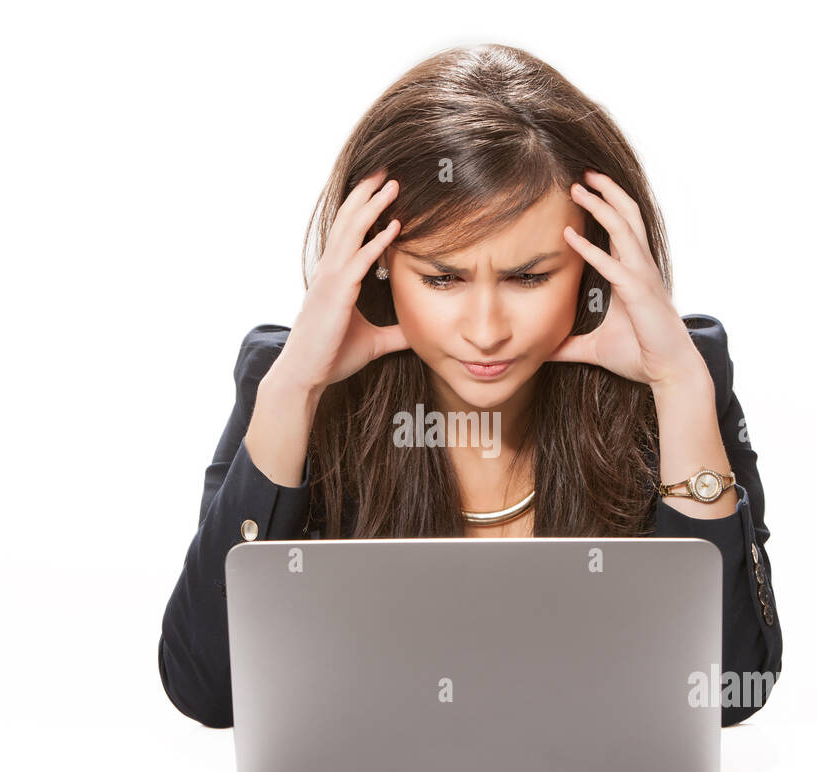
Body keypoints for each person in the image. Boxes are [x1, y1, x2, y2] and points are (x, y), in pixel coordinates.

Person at [158, 43, 783, 730]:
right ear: (377, 265)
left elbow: (729, 695)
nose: (485, 331)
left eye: (528, 277)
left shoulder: (681, 382)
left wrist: (681, 393)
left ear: (596, 269)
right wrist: (293, 395)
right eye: (443, 278)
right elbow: (208, 692)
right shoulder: (284, 385)